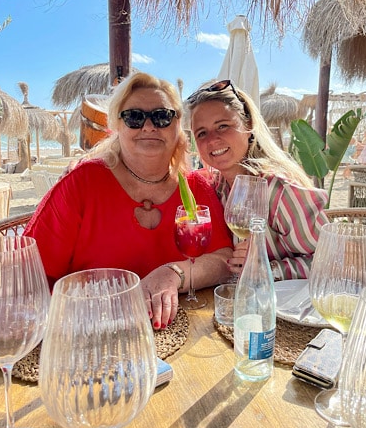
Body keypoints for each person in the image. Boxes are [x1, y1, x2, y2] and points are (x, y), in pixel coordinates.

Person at [24, 72, 233, 329]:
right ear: (117, 125)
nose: (148, 126)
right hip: (87, 329)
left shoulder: (194, 188)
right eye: (134, 117)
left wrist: (173, 273)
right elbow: (28, 272)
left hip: (176, 331)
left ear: (178, 125)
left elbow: (224, 259)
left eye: (162, 116)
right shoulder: (82, 184)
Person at [186, 79, 329, 280]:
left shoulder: (278, 190)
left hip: (289, 307)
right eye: (201, 133)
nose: (211, 140)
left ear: (249, 124)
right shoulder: (218, 188)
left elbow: (332, 260)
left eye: (223, 126)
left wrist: (265, 268)